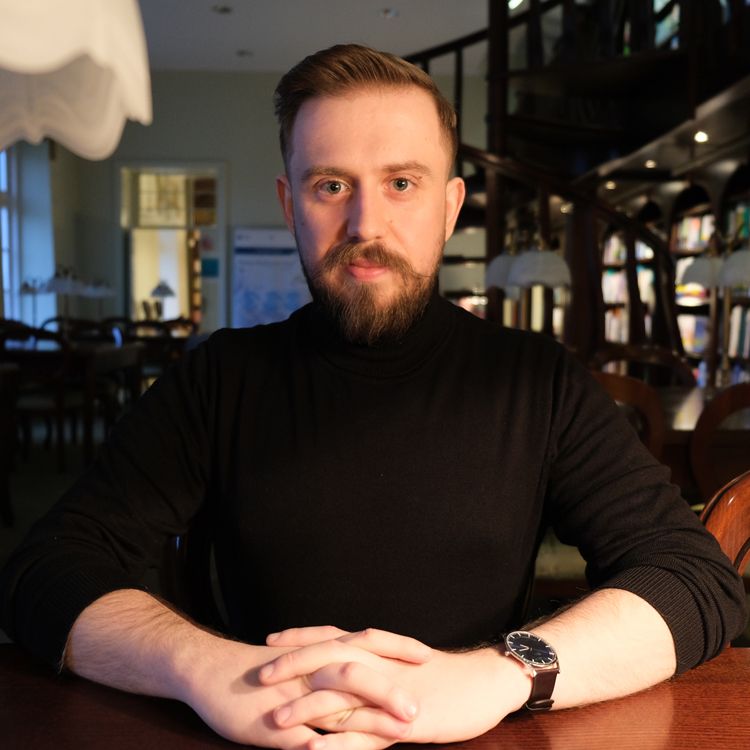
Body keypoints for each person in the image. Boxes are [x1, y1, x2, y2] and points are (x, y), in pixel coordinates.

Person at [0, 44, 746, 750]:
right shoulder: (217, 378)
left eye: (401, 183)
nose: (365, 224)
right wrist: (204, 667)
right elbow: (46, 570)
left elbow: (694, 579)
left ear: (450, 206)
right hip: (270, 732)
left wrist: (499, 675)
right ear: (291, 204)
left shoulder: (537, 381)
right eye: (331, 186)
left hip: (481, 733)